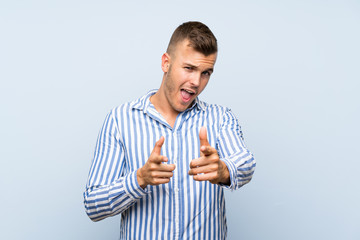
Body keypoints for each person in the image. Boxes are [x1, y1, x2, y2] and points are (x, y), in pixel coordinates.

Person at [83, 21, 256, 240]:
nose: (196, 82)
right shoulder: (120, 120)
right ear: (166, 63)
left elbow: (246, 162)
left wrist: (224, 170)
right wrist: (138, 179)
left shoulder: (220, 118)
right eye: (189, 68)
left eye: (206, 73)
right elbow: (93, 205)